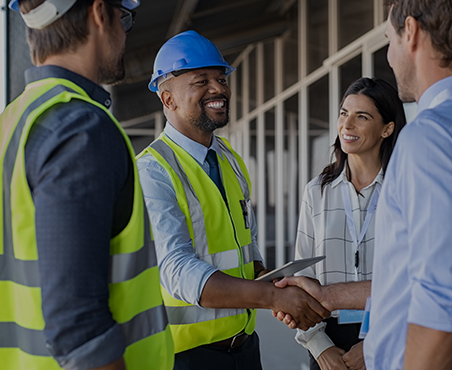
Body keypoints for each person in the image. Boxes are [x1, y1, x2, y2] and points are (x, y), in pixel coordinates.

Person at [275, 0, 452, 369]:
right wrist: (328, 296)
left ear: (413, 32)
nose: (388, 55)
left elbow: (441, 297)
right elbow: (413, 279)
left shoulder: (430, 138)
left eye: (389, 39)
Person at [136, 30, 328, 370]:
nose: (219, 89)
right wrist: (274, 297)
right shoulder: (153, 171)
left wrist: (278, 281)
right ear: (168, 99)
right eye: (202, 81)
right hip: (185, 359)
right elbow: (179, 272)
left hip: (244, 349)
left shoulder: (229, 160)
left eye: (221, 78)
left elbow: (244, 250)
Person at [0, 1, 174, 369]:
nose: (124, 33)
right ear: (99, 13)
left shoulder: (13, 122)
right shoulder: (81, 130)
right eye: (122, 17)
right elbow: (79, 330)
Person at [294, 77, 405, 370]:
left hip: (391, 335)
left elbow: (415, 276)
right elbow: (302, 273)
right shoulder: (316, 190)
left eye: (362, 117)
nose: (347, 125)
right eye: (344, 113)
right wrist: (320, 349)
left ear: (387, 128)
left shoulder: (405, 190)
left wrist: (375, 344)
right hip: (328, 337)